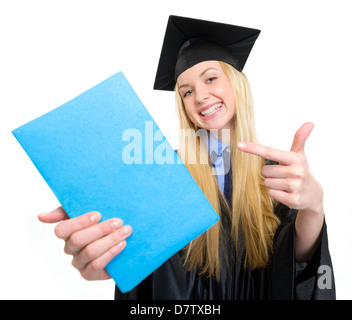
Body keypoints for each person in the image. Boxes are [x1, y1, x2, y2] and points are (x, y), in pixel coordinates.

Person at [38, 15, 335, 299]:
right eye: (187, 91)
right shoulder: (164, 172)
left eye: (211, 79)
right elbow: (150, 257)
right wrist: (115, 254)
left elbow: (296, 261)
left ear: (236, 83)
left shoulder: (277, 173)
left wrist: (313, 207)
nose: (201, 96)